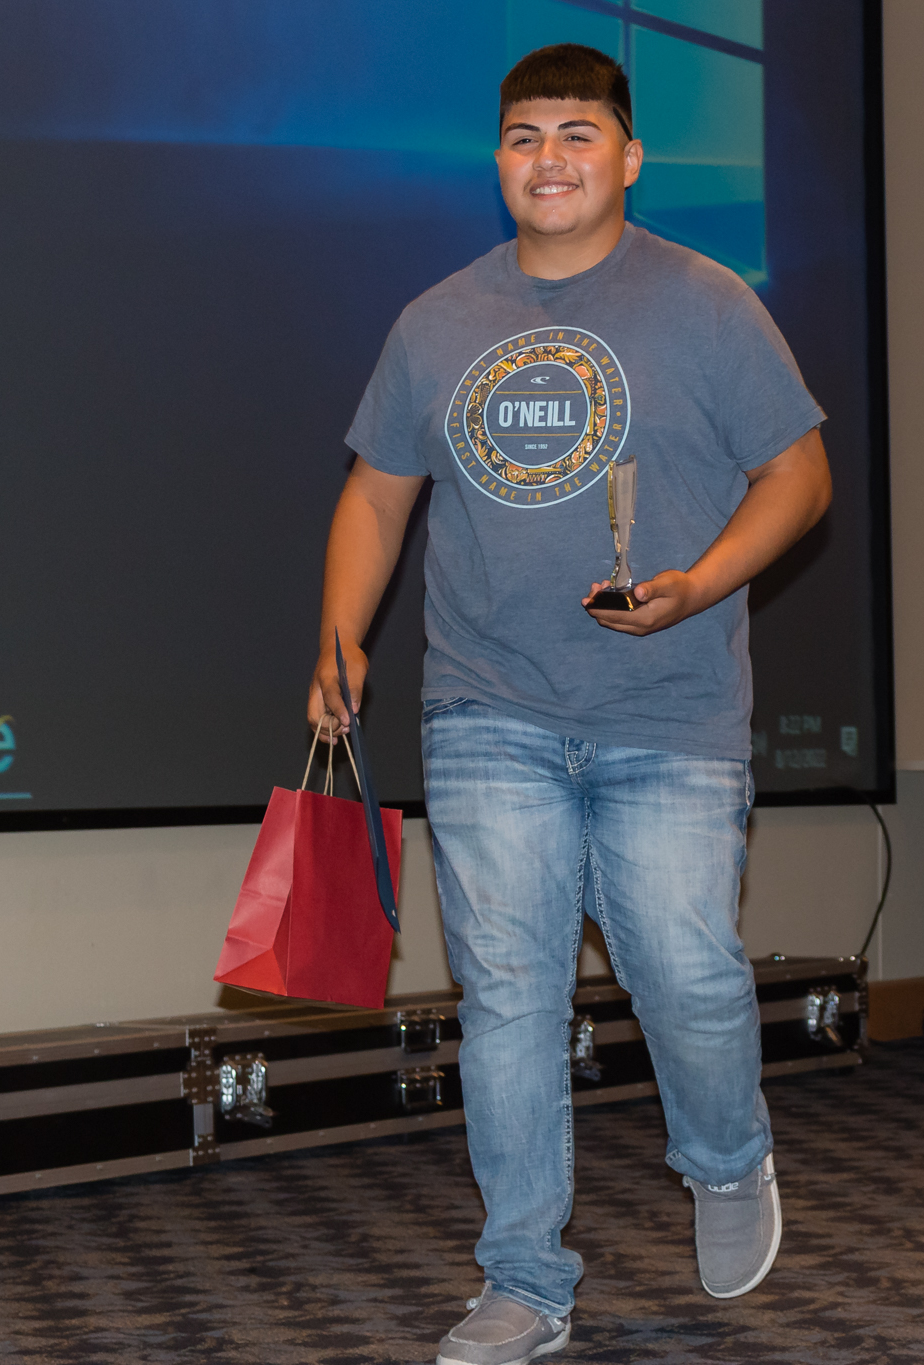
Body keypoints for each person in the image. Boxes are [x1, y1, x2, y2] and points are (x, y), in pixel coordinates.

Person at [306, 44, 832, 1365]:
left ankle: (724, 1157)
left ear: (630, 156)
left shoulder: (709, 304)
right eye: (526, 135)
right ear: (498, 159)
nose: (550, 156)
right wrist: (341, 635)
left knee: (689, 975)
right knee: (508, 1001)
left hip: (669, 707)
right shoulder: (436, 324)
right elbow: (378, 495)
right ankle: (525, 1281)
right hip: (488, 708)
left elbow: (801, 476)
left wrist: (700, 581)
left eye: (579, 134)